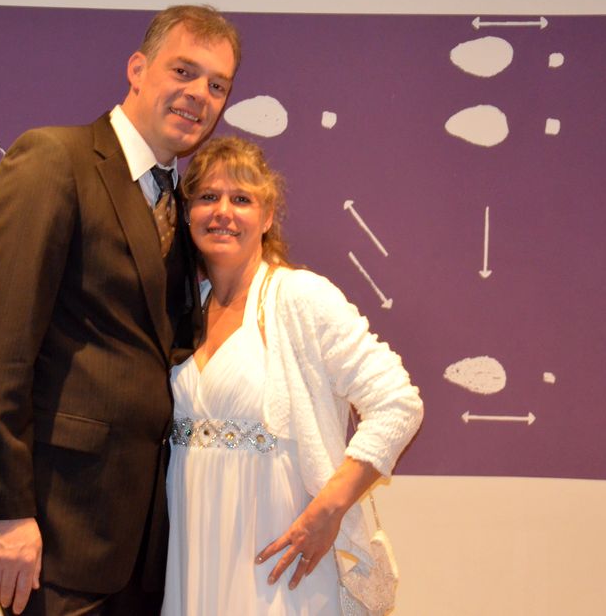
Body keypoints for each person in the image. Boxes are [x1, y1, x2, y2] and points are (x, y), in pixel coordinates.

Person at [0, 6, 241, 614]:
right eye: (184, 71)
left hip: (148, 547)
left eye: (218, 85)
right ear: (137, 69)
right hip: (58, 530)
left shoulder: (181, 206)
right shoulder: (53, 160)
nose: (200, 94)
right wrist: (5, 509)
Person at [161, 137, 424, 615]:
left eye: (242, 199)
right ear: (187, 212)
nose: (223, 212)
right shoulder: (180, 309)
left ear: (267, 216)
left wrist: (329, 510)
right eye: (208, 197)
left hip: (279, 561)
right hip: (192, 552)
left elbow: (398, 404)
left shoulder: (301, 298)